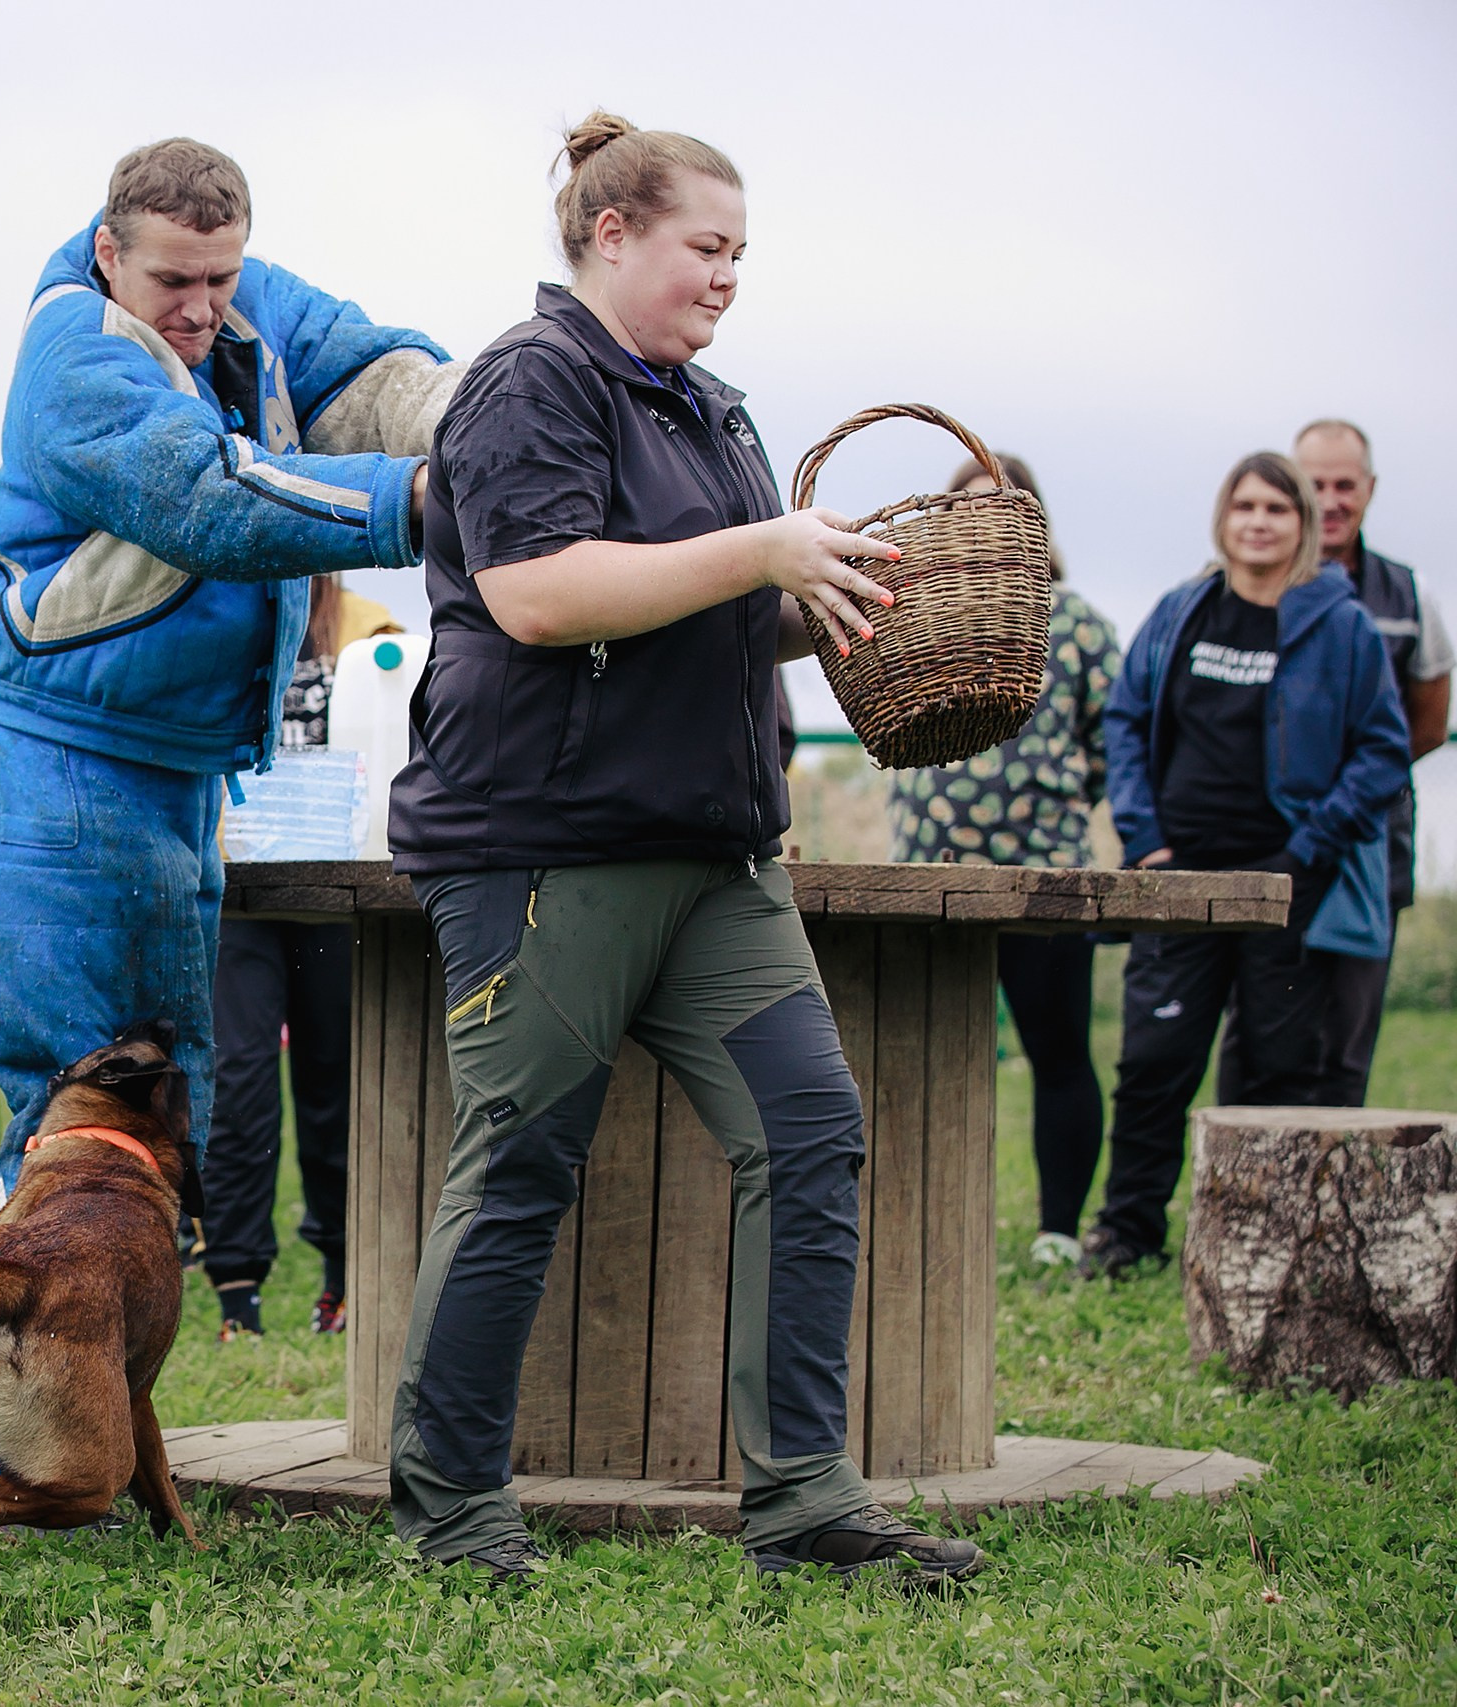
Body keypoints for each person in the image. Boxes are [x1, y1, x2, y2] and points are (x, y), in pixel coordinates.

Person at [383, 110, 985, 1587]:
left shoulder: (712, 408)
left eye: (739, 254)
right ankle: (452, 1506)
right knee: (521, 1164)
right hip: (544, 852)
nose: (726, 276)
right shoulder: (528, 383)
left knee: (813, 1132)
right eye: (704, 247)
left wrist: (829, 588)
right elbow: (536, 592)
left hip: (721, 854)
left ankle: (806, 1501)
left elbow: (721, 601)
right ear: (611, 234)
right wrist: (763, 551)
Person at [0, 136, 453, 1268]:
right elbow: (208, 498)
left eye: (221, 278)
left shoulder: (238, 299)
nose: (203, 308)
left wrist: (496, 424)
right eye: (173, 282)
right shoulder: (72, 361)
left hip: (165, 778)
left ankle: (11, 1425)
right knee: (79, 1141)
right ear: (108, 252)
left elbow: (368, 374)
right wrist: (423, 498)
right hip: (54, 781)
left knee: (154, 1137)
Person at [1087, 452, 1408, 1279]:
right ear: (1223, 518)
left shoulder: (1340, 628)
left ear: (1303, 526)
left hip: (1283, 885)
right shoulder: (1180, 612)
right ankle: (1127, 1238)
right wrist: (1146, 837)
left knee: (1276, 1075)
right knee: (1155, 1066)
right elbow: (1125, 721)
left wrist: (1308, 851)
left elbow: (1381, 752)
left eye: (1278, 508)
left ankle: (1262, 1255)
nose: (1259, 521)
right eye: (1246, 505)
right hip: (1177, 878)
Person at [887, 455, 1120, 1271]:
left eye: (1002, 510)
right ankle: (916, 1227)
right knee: (914, 1061)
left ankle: (1058, 1232)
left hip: (1042, 875)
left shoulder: (1079, 622)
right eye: (966, 508)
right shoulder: (913, 607)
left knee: (1058, 1053)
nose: (983, 523)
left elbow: (1109, 746)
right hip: (924, 875)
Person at [1214, 421, 1450, 1107]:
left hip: (1368, 848)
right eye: (1316, 484)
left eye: (1346, 484)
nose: (1332, 499)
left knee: (1347, 1034)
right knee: (1252, 1031)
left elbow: (1422, 726)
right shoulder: (1241, 589)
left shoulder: (1410, 596)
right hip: (1265, 849)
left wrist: (1338, 807)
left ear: (1369, 490)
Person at [201, 575, 397, 1341]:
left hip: (335, 890)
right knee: (239, 1084)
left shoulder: (373, 629)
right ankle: (237, 1294)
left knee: (336, 1086)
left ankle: (344, 1280)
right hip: (239, 890)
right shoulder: (224, 613)